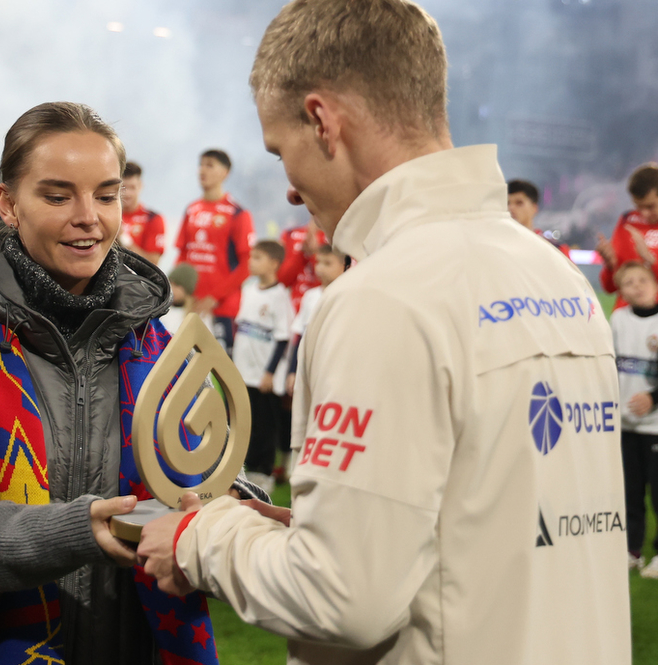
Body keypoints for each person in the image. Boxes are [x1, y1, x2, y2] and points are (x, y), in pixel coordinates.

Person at [139, 1, 629, 664]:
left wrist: (202, 534)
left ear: (322, 120)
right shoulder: (556, 276)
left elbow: (343, 598)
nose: (288, 189)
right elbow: (488, 526)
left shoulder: (385, 297)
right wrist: (312, 530)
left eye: (281, 150)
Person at [0, 101, 265, 665]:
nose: (88, 216)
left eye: (106, 194)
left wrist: (236, 507)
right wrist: (77, 531)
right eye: (56, 195)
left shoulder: (160, 347)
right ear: (8, 204)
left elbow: (209, 477)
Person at [175, 149, 255, 350]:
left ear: (225, 173)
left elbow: (247, 265)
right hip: (192, 305)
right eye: (201, 164)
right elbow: (183, 255)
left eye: (210, 165)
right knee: (184, 367)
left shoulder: (238, 213)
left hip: (222, 308)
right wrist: (178, 288)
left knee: (220, 370)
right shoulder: (191, 209)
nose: (202, 170)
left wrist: (214, 297)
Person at [233, 240, 294, 494]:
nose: (251, 261)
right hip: (243, 373)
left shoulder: (281, 297)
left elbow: (282, 338)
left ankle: (264, 476)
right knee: (243, 422)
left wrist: (270, 372)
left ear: (274, 263)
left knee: (264, 427)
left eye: (257, 257)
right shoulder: (248, 290)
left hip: (264, 378)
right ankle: (244, 472)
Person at [610, 261, 658, 579]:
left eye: (642, 279)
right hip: (625, 426)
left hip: (655, 427)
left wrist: (653, 398)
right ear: (620, 290)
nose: (636, 286)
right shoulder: (616, 319)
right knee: (629, 493)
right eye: (628, 282)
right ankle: (632, 550)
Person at [285, 244, 346, 397]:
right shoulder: (310, 296)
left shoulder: (346, 297)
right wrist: (293, 371)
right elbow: (300, 336)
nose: (320, 268)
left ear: (344, 266)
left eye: (327, 263)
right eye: (318, 262)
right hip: (309, 368)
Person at [597, 163, 658, 310]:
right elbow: (610, 288)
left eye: (650, 206)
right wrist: (610, 266)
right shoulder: (627, 222)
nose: (643, 214)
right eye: (638, 206)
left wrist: (650, 260)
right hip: (628, 319)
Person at [119, 161, 166, 264]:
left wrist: (123, 237)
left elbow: (153, 263)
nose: (127, 194)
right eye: (123, 188)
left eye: (132, 187)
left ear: (140, 186)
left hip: (136, 279)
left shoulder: (153, 219)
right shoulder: (109, 216)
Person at [509, 178, 570, 258]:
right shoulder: (498, 244)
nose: (511, 208)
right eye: (508, 203)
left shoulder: (555, 249)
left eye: (519, 203)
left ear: (534, 208)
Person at [277, 218, 326, 314]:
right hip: (292, 313)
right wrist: (302, 254)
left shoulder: (339, 238)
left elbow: (333, 280)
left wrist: (314, 255)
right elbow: (282, 281)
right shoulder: (291, 235)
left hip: (321, 310)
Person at [159, 262, 212, 335]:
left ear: (187, 289)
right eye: (171, 283)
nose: (172, 289)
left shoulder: (198, 315)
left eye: (177, 285)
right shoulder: (161, 309)